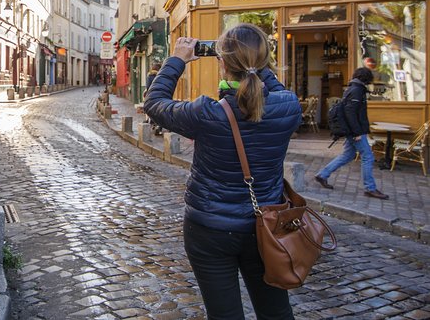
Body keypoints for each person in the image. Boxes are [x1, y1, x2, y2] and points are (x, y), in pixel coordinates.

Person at [144, 24, 302, 319]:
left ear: (222, 63)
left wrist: (177, 59)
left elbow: (154, 103)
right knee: (276, 311)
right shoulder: (289, 107)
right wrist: (256, 63)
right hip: (265, 225)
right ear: (265, 61)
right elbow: (274, 90)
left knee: (224, 314)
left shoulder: (207, 113)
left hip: (209, 229)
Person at [314, 67, 389, 199]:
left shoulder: (354, 88)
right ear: (366, 78)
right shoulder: (357, 90)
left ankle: (322, 175)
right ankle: (370, 188)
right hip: (356, 131)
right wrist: (357, 132)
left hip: (353, 130)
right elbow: (350, 113)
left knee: (348, 155)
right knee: (368, 157)